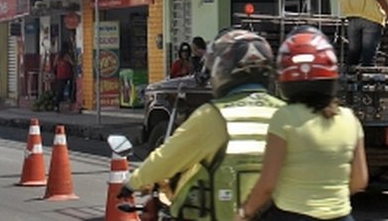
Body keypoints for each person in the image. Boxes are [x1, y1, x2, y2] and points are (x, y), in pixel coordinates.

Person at [120, 29, 284, 221]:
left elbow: (168, 157)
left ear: (221, 70)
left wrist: (133, 182)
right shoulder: (285, 113)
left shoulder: (213, 116)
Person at [237, 27, 368, 221]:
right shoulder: (350, 119)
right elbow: (359, 180)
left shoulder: (285, 118)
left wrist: (244, 212)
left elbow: (267, 186)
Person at [53, 42, 74, 112]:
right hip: (68, 75)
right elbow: (72, 63)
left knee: (60, 91)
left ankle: (56, 105)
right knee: (71, 87)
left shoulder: (58, 56)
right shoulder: (67, 55)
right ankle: (70, 100)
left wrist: (56, 73)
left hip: (60, 75)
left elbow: (54, 65)